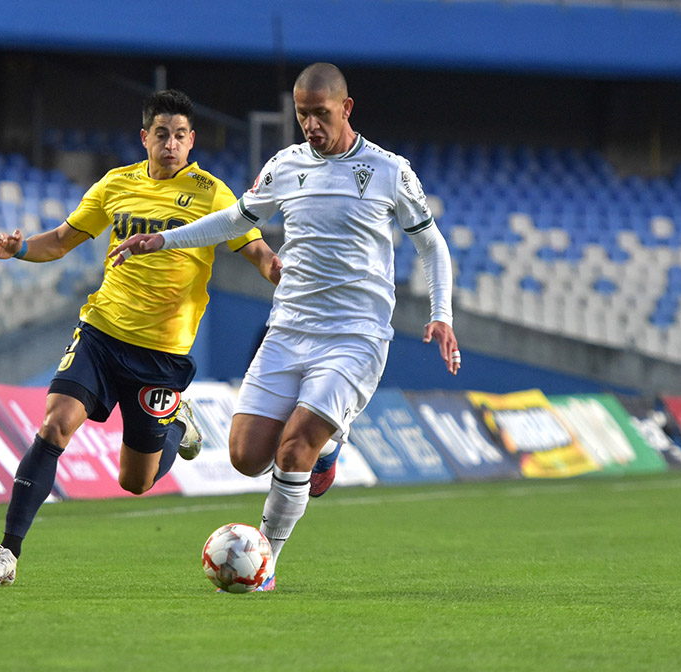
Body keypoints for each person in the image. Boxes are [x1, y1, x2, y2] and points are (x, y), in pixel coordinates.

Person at [109, 63, 460, 591]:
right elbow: (235, 220)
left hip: (355, 335)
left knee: (293, 449)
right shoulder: (285, 166)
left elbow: (431, 244)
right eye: (302, 114)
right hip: (289, 327)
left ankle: (265, 561)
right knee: (246, 456)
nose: (311, 124)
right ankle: (330, 449)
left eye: (321, 113)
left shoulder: (390, 171)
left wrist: (441, 314)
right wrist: (163, 239)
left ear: (346, 108)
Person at [0, 89, 281, 586]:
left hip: (161, 354)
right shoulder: (116, 185)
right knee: (54, 426)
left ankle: (179, 425)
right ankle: (6, 554)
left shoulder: (213, 194)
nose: (171, 144)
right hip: (102, 331)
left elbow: (259, 253)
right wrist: (21, 248)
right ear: (145, 137)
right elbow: (61, 241)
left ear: (192, 140)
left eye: (181, 136)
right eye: (162, 134)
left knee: (134, 482)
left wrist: (282, 272)